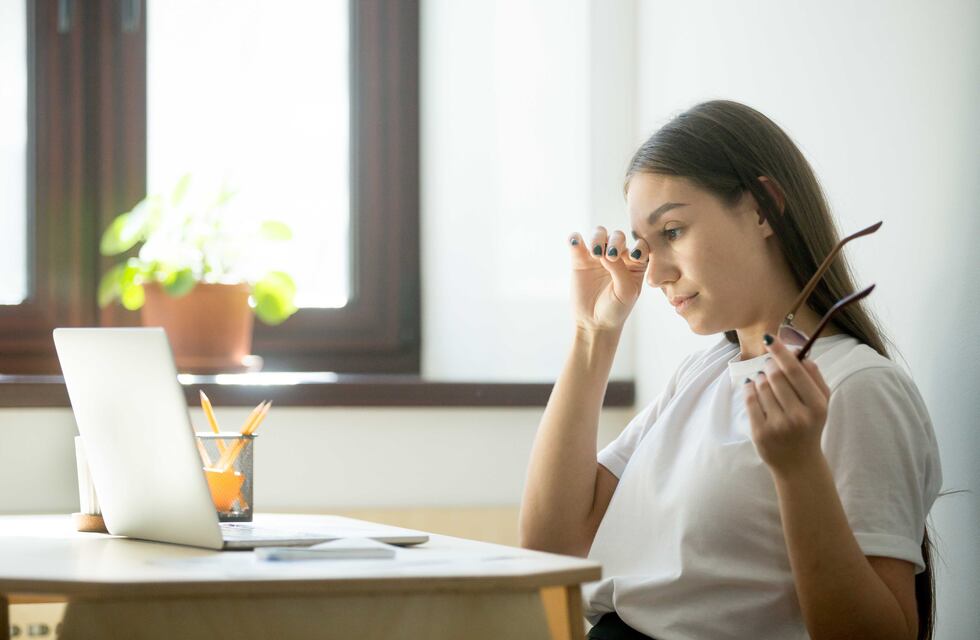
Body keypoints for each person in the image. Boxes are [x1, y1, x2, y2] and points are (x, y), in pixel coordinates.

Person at [518, 100, 943, 640]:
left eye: (672, 231)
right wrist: (593, 335)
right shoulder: (702, 373)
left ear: (765, 206)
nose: (656, 275)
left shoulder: (857, 389)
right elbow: (551, 544)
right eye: (646, 247)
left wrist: (797, 469)